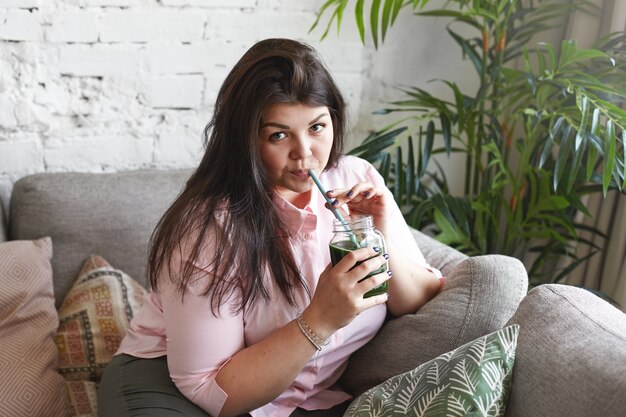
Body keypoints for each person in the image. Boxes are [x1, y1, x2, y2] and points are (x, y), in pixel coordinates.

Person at [98, 38, 443, 417]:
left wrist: (384, 228)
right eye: (279, 135)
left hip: (297, 395)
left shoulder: (355, 177)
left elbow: (415, 297)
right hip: (172, 381)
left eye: (317, 127)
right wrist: (321, 319)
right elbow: (210, 386)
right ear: (246, 139)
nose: (305, 152)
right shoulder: (209, 226)